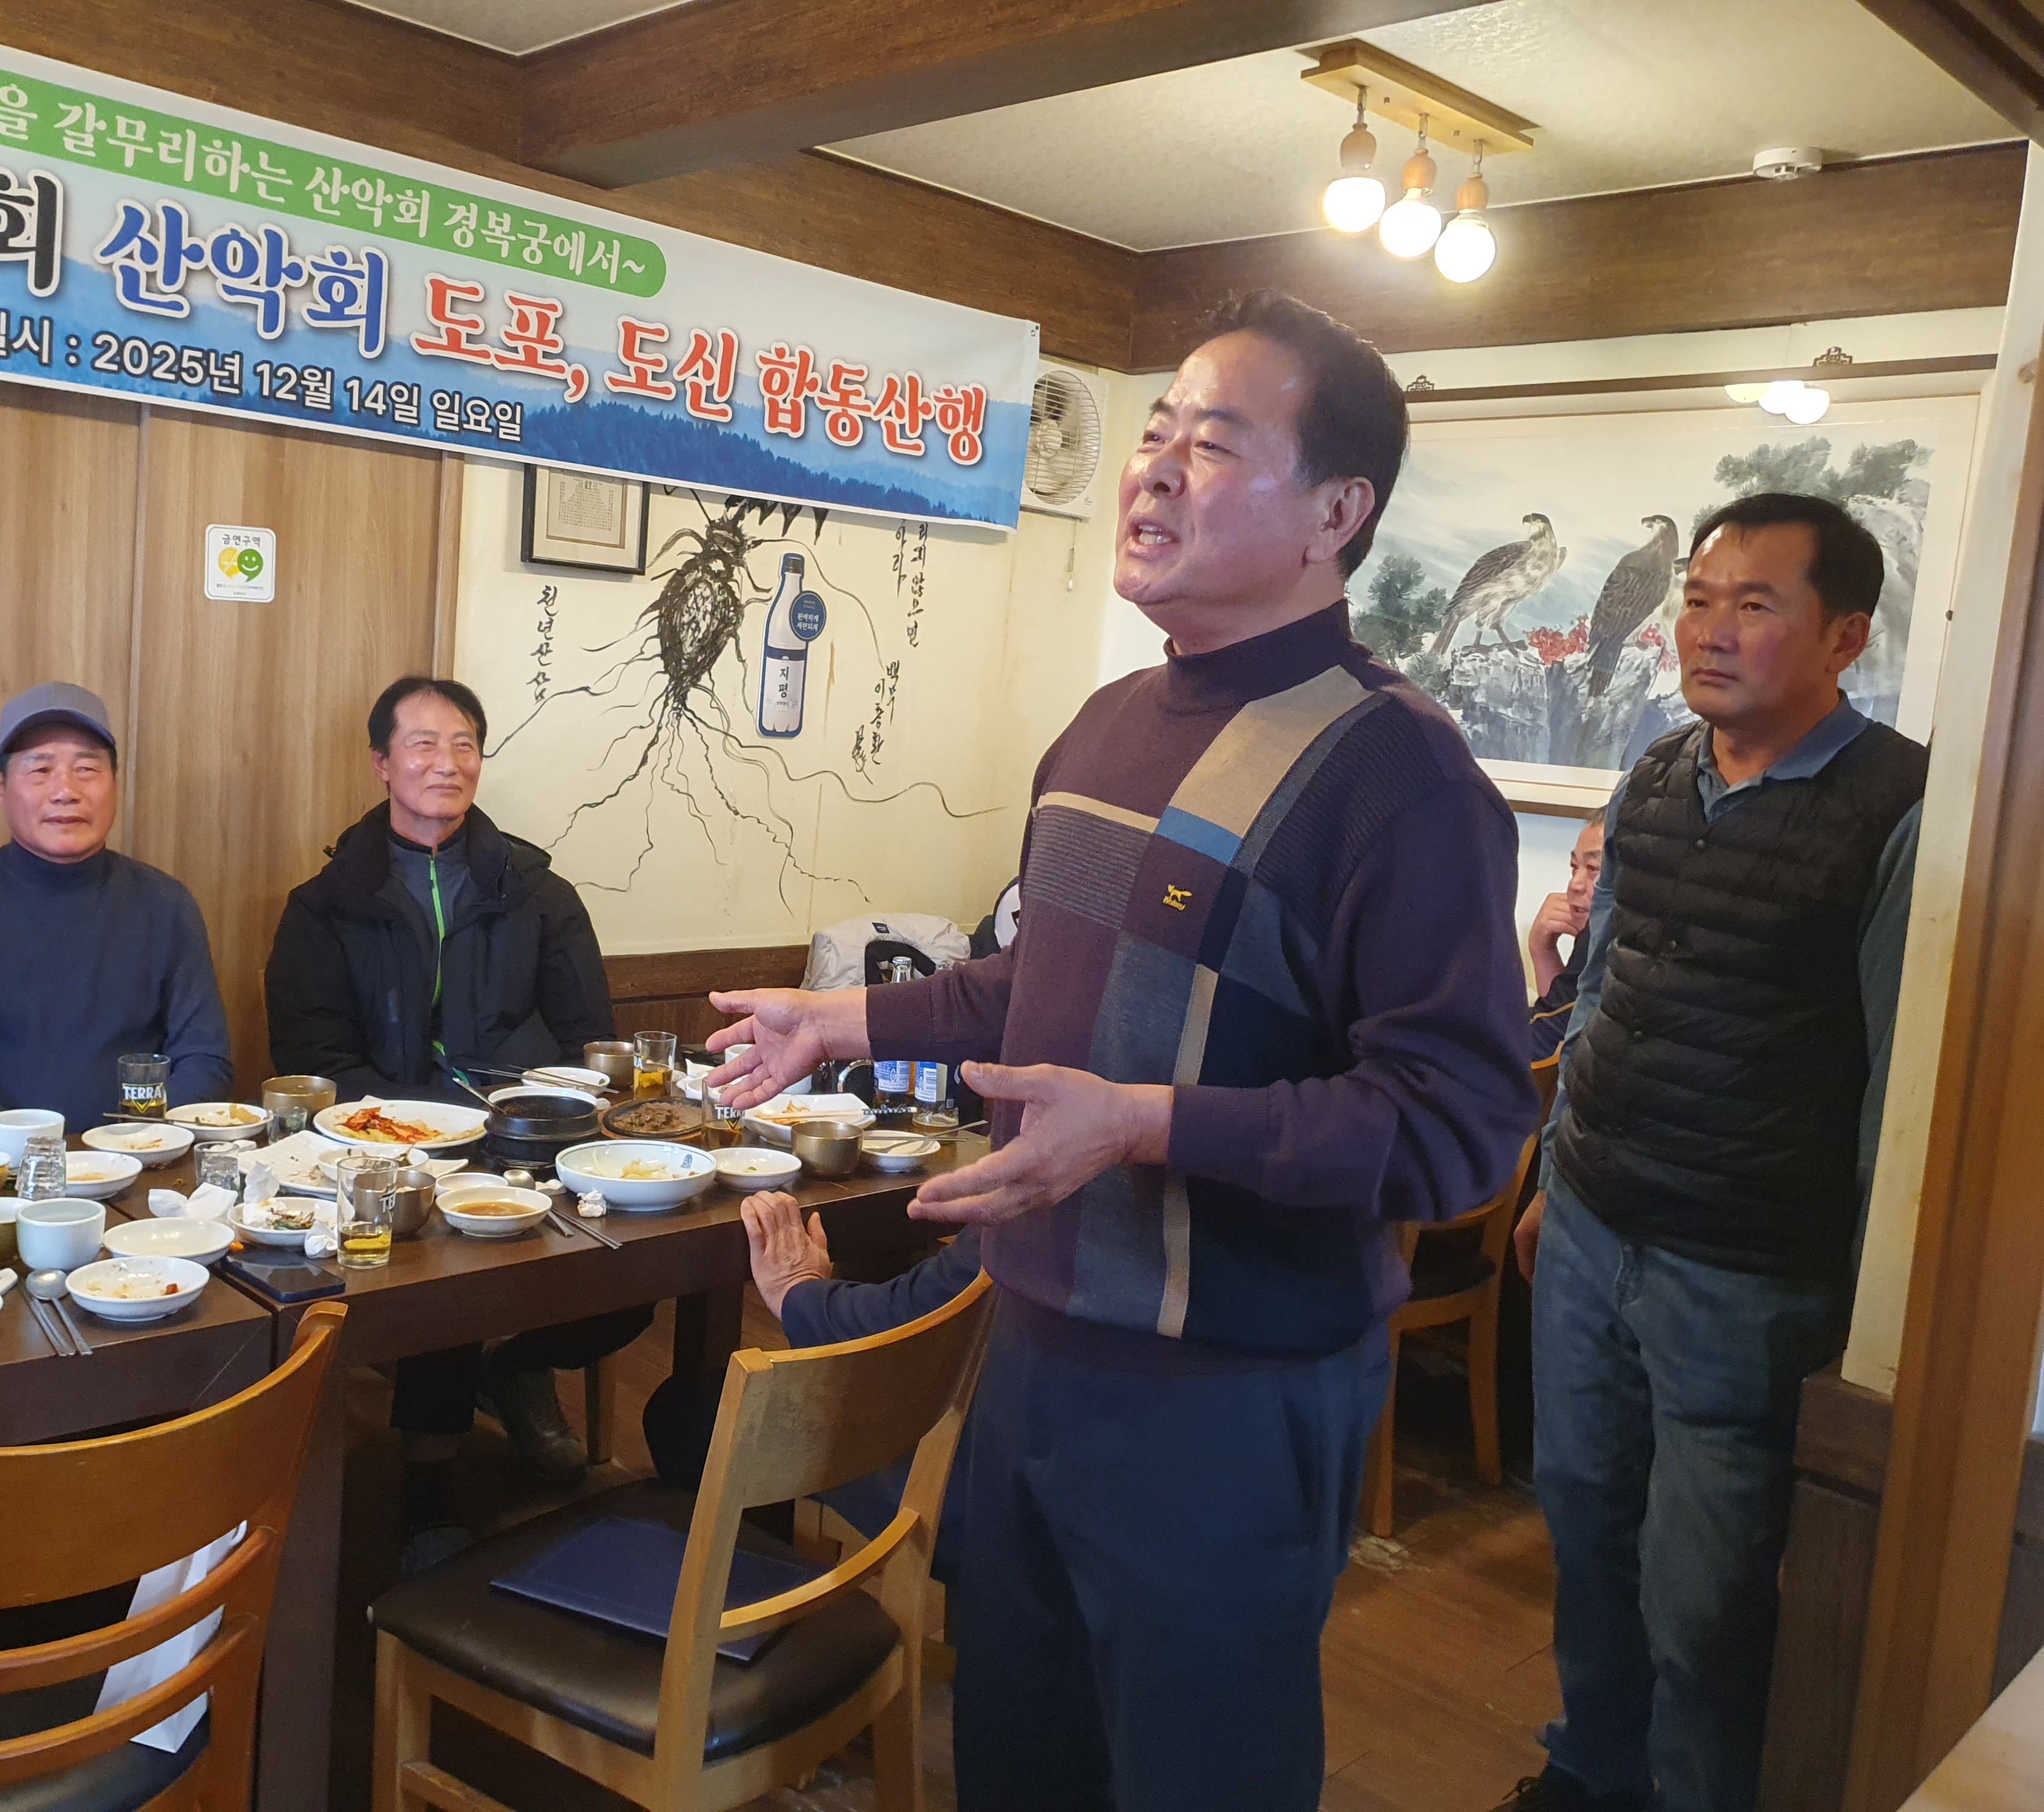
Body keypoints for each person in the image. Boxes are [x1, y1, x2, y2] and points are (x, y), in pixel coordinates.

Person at [704, 291, 1535, 1811]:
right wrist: (843, 1021)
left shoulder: (1398, 774)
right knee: (1021, 1765)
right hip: (1030, 1354)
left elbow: (1460, 1123)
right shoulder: (1101, 729)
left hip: (1230, 1396)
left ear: (1337, 514)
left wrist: (1146, 1124)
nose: (1152, 469)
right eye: (1154, 432)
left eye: (1212, 444)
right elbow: (1045, 982)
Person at [1503, 493, 1924, 1812]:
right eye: (1696, 599)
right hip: (1591, 1226)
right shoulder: (1655, 773)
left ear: (1844, 636)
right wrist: (1552, 1176)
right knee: (1583, 1526)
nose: (1709, 629)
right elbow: (1600, 989)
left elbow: (1898, 1086)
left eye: (1753, 604)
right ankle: (1589, 1769)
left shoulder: (1898, 805)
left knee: (1708, 1595)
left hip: (1743, 1275)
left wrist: (1869, 1314)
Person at [265, 675, 648, 1566]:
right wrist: (414, 1127)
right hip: (390, 1148)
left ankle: (514, 1368)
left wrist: (538, 1112)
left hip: (529, 1135)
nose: (448, 763)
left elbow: (590, 1037)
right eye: (424, 744)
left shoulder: (538, 891)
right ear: (382, 763)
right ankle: (429, 1494)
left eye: (464, 744)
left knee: (639, 1265)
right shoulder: (326, 906)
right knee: (445, 1271)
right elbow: (315, 1057)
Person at [0, 682, 234, 1141]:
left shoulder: (166, 905)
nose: (66, 791)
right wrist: (39, 1154)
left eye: (86, 769)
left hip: (139, 1162)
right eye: (41, 769)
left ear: (115, 783)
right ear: (1, 788)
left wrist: (131, 1148)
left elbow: (205, 1060)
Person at [642, 1195, 982, 1581]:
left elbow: (909, 1315)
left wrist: (797, 1289)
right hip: (1016, 1474)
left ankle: (763, 1603)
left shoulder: (1019, 1222)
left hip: (976, 1503)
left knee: (684, 1416)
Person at [1529, 810, 1607, 1059]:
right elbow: (1558, 1021)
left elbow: (1539, 1049)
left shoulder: (1611, 931)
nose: (1575, 884)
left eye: (1594, 868)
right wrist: (1544, 951)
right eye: (1575, 867)